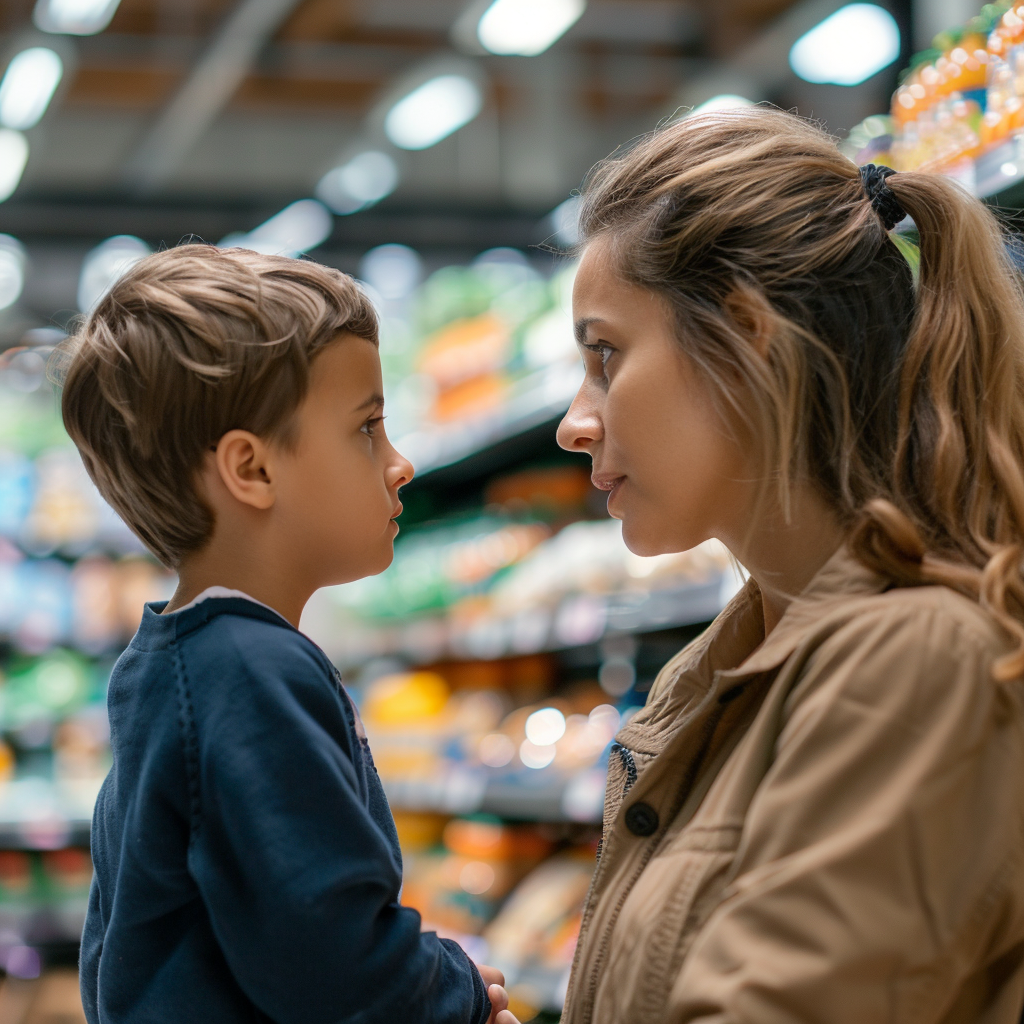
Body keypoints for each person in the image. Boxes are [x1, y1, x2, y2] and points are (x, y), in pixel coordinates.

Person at [555, 107, 1024, 1022]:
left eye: (606, 355)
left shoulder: (918, 664)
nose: (575, 423)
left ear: (745, 334)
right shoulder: (711, 673)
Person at [55, 246, 518, 1024]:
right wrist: (459, 992)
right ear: (253, 470)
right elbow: (330, 954)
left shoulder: (169, 662)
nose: (400, 463)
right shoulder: (251, 671)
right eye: (368, 426)